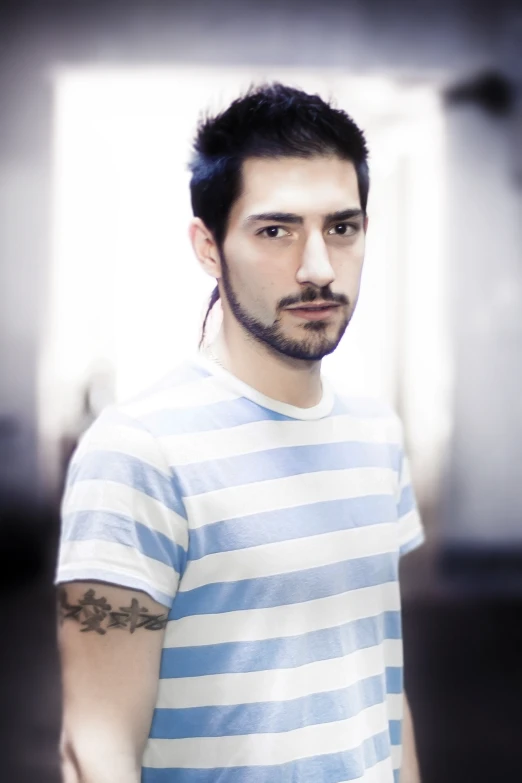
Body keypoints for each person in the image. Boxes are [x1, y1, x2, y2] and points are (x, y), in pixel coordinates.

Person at [55, 83, 424, 783]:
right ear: (207, 247)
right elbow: (94, 746)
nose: (318, 266)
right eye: (275, 230)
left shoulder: (376, 435)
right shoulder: (139, 451)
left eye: (341, 228)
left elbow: (379, 685)